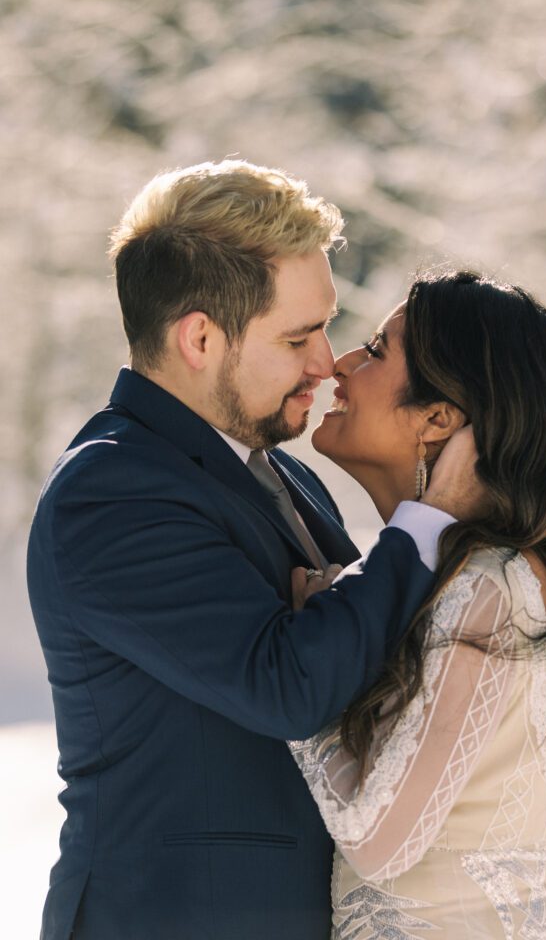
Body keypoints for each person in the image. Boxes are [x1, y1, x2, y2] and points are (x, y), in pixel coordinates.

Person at [26, 160, 481, 940]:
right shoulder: (112, 493)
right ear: (199, 337)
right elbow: (289, 688)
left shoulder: (283, 475)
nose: (325, 362)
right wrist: (426, 518)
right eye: (298, 335)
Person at [289, 270, 546, 940]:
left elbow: (378, 839)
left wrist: (302, 662)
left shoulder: (488, 591)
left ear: (437, 418)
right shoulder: (480, 581)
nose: (340, 364)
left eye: (376, 351)